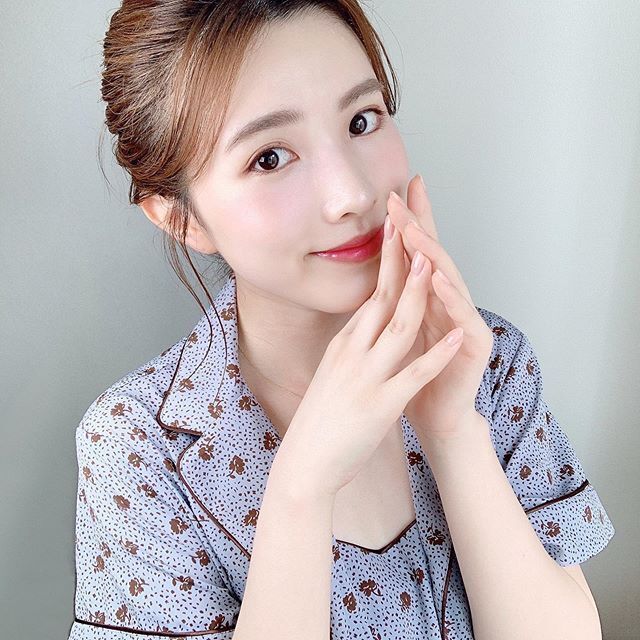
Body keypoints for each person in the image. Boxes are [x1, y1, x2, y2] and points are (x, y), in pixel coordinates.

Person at [68, 2, 615, 639]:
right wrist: (302, 490)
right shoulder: (138, 444)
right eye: (270, 157)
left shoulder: (483, 360)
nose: (351, 194)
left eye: (362, 120)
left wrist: (453, 432)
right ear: (179, 217)